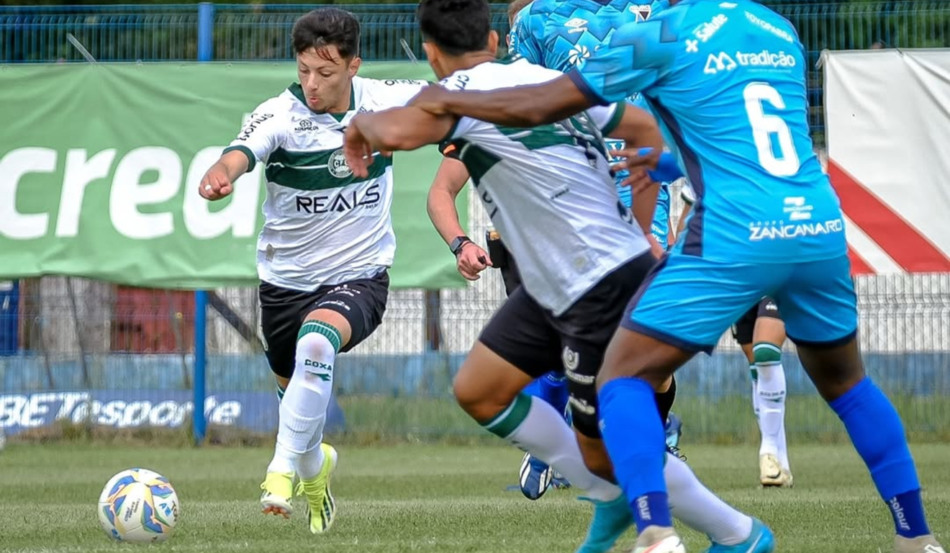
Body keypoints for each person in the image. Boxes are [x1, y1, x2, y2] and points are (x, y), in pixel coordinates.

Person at [404, 1, 945, 552]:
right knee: (848, 384)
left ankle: (656, 531)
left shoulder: (659, 32)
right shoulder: (774, 26)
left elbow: (550, 101)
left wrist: (439, 101)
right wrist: (662, 163)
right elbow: (739, 131)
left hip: (735, 230)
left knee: (623, 378)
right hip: (818, 222)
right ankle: (916, 536)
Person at [345, 1, 772, 552]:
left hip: (594, 283)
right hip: (566, 282)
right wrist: (638, 226)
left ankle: (732, 533)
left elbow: (398, 130)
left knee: (602, 453)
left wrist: (361, 126)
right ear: (496, 40)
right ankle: (623, 500)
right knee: (479, 389)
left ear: (430, 53)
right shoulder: (553, 80)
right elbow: (642, 125)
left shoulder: (456, 95)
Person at [198, 7, 426, 535]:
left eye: (325, 73)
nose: (312, 83)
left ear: (353, 67)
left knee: (318, 344)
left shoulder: (382, 98)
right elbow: (240, 152)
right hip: (285, 285)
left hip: (360, 275)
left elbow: (451, 100)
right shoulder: (279, 114)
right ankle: (313, 468)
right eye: (304, 70)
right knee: (301, 419)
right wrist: (220, 173)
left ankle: (278, 472)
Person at [681, 185, 792, 487]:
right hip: (738, 272)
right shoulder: (713, 156)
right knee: (756, 363)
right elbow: (690, 212)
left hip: (781, 263)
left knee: (767, 351)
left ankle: (767, 451)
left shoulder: (781, 157)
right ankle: (779, 462)